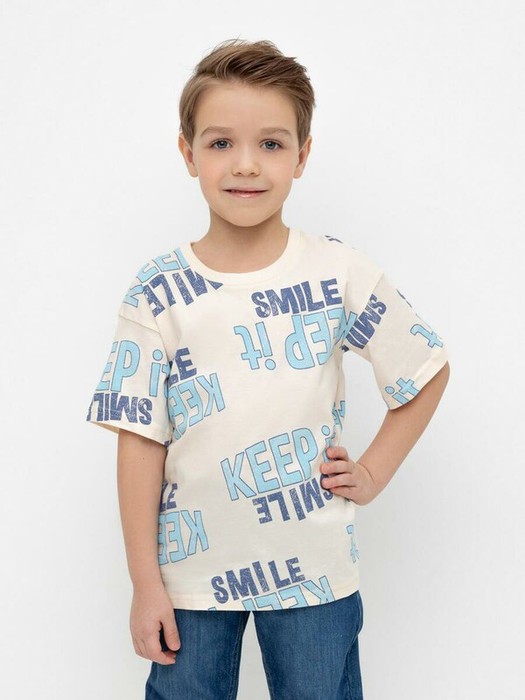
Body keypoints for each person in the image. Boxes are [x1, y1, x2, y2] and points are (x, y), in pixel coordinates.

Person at [86, 37, 450, 700]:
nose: (246, 164)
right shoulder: (158, 291)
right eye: (221, 142)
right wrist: (144, 582)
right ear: (187, 153)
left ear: (302, 156)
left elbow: (423, 369)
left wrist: (372, 472)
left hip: (314, 568)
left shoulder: (337, 271)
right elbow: (139, 439)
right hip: (190, 579)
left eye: (272, 144)